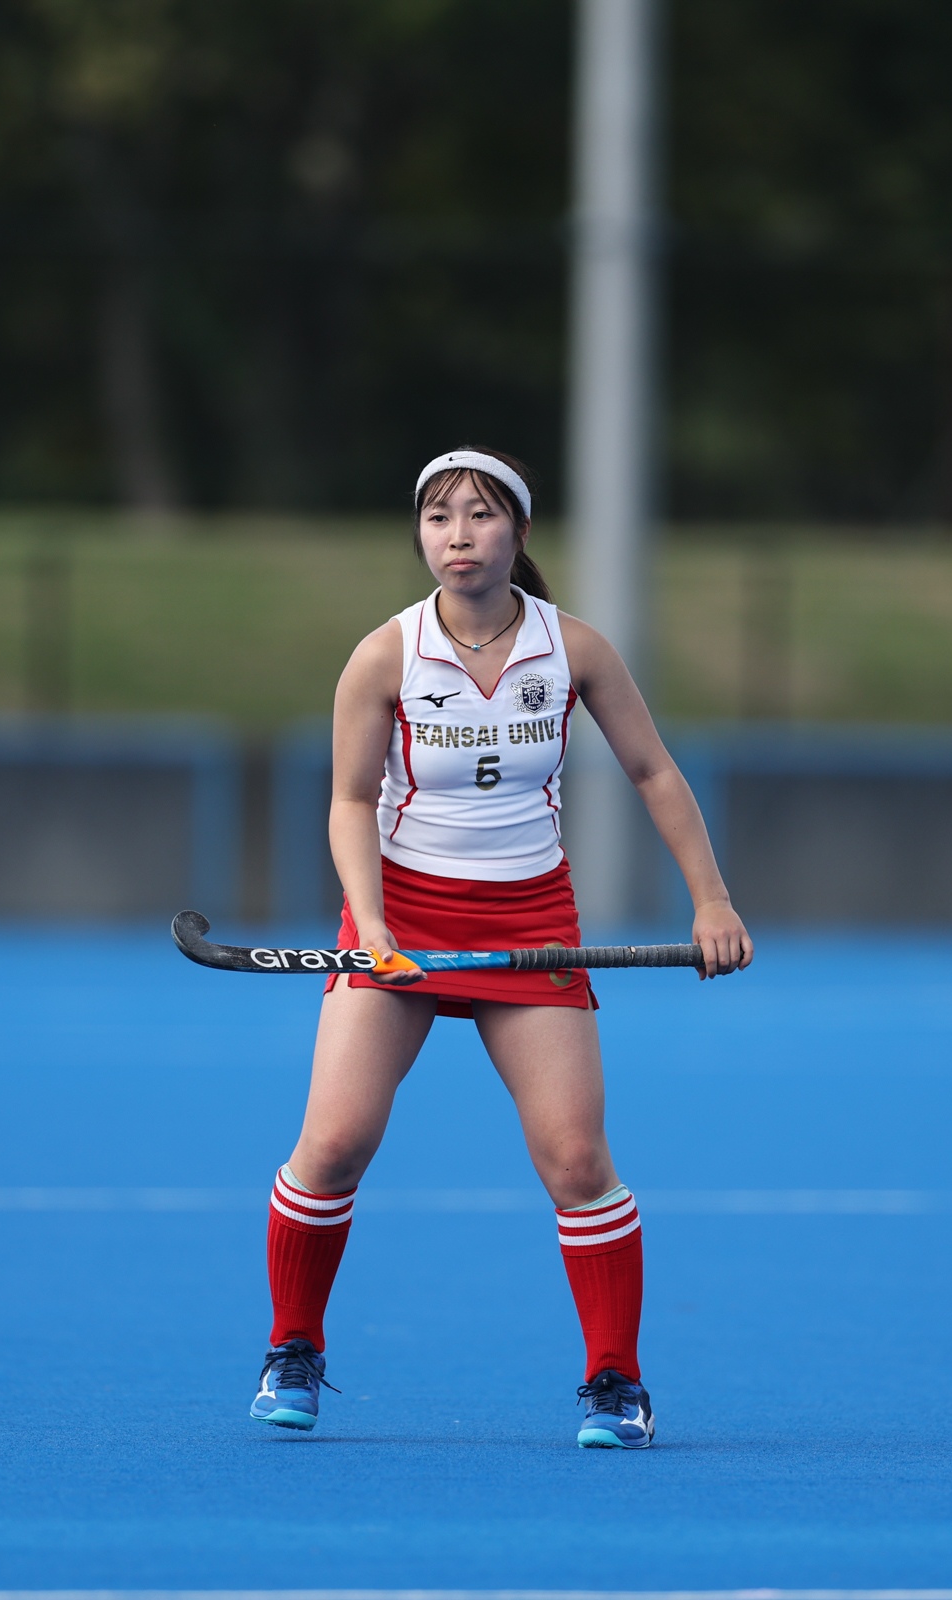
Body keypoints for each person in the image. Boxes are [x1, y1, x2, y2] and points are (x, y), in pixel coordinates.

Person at [251, 447, 753, 1449]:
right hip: (400, 920)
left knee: (576, 1158)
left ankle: (615, 1380)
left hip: (529, 926)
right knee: (335, 1143)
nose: (459, 536)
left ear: (519, 532)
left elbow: (653, 771)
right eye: (439, 517)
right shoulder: (385, 655)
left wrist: (712, 900)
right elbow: (350, 800)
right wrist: (372, 928)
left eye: (481, 516)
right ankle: (291, 1348)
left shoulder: (576, 649)